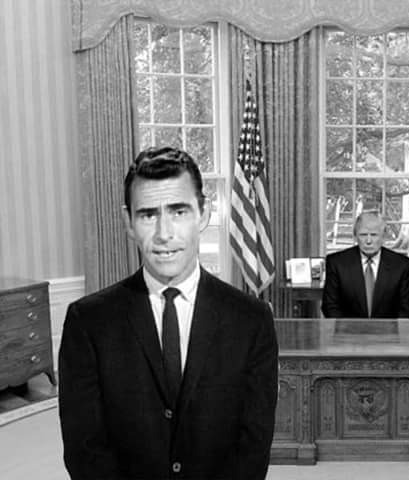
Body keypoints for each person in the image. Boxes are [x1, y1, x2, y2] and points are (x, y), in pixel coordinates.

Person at [58, 147, 278, 480]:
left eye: (178, 212)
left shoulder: (252, 320)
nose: (164, 234)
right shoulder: (88, 322)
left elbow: (253, 447)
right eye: (148, 215)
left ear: (203, 215)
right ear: (129, 222)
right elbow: (84, 450)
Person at [321, 211, 409, 318]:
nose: (368, 241)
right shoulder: (336, 263)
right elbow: (330, 306)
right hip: (347, 327)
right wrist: (345, 327)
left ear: (384, 237)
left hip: (389, 328)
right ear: (355, 236)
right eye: (363, 235)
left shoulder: (402, 265)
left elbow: (407, 308)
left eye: (374, 235)